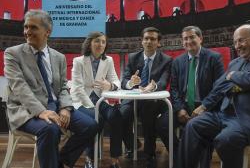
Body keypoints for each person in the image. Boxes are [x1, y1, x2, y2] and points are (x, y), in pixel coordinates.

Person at [178, 24, 250, 168]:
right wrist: (206, 105)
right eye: (235, 42)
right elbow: (219, 86)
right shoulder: (236, 62)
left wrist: (233, 76)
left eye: (241, 40)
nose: (238, 46)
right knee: (193, 125)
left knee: (226, 140)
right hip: (225, 114)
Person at [4, 9, 98, 168]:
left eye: (33, 28)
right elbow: (20, 87)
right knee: (50, 130)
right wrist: (41, 111)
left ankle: (60, 161)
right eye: (26, 27)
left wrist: (66, 108)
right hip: (26, 110)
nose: (27, 32)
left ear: (47, 31)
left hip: (55, 107)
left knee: (90, 126)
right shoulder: (13, 54)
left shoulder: (59, 57)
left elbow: (62, 87)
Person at [156, 25, 224, 167]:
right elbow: (174, 89)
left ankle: (198, 161)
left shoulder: (214, 58)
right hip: (184, 105)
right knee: (162, 125)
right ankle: (179, 155)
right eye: (185, 38)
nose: (188, 41)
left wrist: (204, 107)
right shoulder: (177, 61)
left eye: (192, 37)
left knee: (199, 129)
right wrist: (179, 109)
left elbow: (219, 88)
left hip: (206, 105)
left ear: (200, 38)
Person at [120, 27, 172, 168]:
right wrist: (131, 82)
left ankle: (150, 153)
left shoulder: (166, 60)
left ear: (158, 43)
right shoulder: (132, 57)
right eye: (146, 38)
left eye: (153, 39)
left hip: (153, 99)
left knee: (149, 113)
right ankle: (133, 145)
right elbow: (123, 81)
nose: (149, 41)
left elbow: (164, 81)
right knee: (121, 115)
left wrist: (153, 87)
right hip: (133, 98)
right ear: (141, 41)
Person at [70, 31, 122, 168]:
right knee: (95, 119)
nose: (101, 44)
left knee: (116, 115)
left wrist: (110, 85)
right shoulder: (78, 61)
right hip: (81, 101)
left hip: (100, 100)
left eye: (103, 42)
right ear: (89, 43)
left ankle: (115, 158)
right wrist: (91, 107)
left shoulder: (108, 60)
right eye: (97, 41)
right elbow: (78, 88)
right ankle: (89, 158)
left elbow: (116, 80)